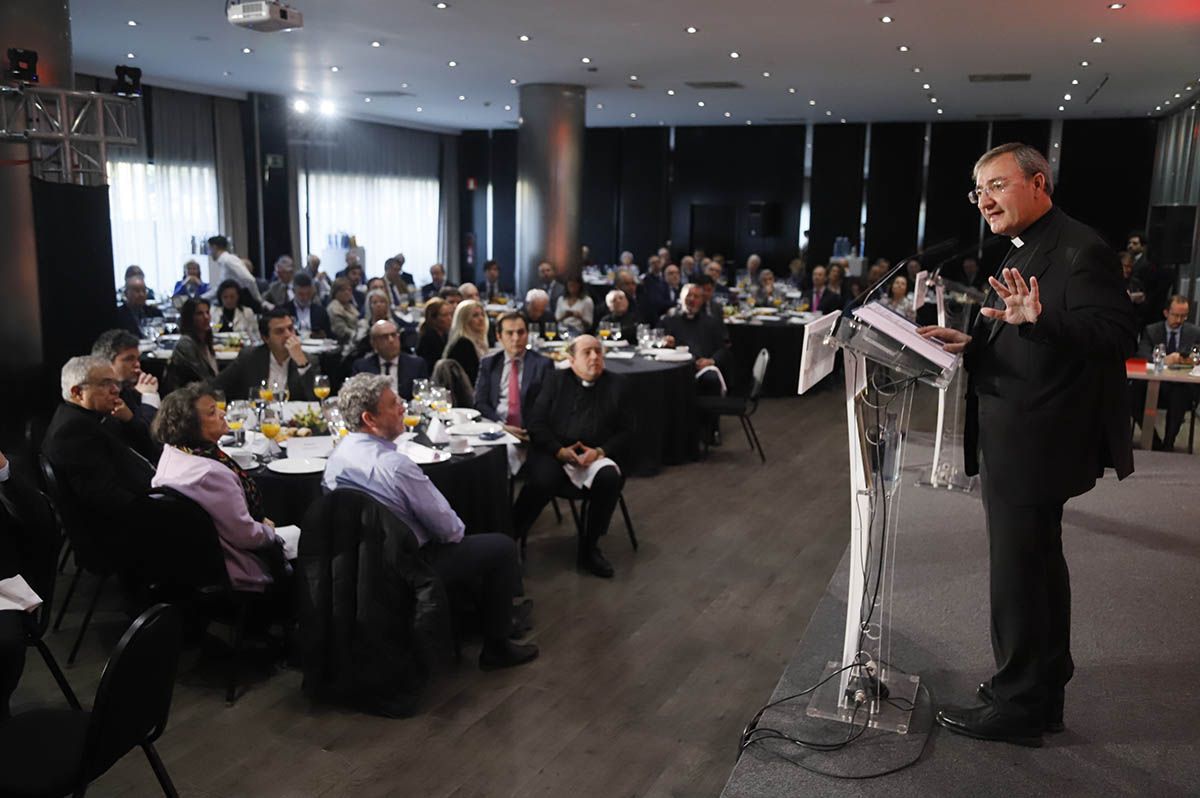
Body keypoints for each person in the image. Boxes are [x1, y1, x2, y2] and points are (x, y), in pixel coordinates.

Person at [920, 142, 1136, 747]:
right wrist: (976, 342)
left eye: (996, 185)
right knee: (1036, 567)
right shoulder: (1030, 245)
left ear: (1038, 183)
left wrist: (1038, 321)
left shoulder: (1079, 247)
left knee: (1019, 572)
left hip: (1040, 440)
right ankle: (1039, 689)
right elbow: (1028, 331)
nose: (983, 200)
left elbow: (1115, 333)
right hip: (1021, 432)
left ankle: (1019, 704)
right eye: (977, 190)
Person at [324, 374, 538, 670]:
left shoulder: (337, 457)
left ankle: (479, 617)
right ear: (369, 418)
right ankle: (497, 648)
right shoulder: (395, 466)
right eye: (393, 404)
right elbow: (451, 531)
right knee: (499, 548)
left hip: (359, 565)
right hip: (408, 566)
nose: (402, 407)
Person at [150, 384, 288, 593]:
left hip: (187, 566)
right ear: (191, 425)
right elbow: (245, 535)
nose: (223, 413)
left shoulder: (173, 452)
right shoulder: (210, 473)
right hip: (234, 571)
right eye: (212, 412)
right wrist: (270, 531)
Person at [512, 335, 631, 578]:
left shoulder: (618, 384)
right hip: (555, 452)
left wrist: (599, 452)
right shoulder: (555, 381)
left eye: (598, 351)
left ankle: (590, 548)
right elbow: (536, 424)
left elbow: (628, 430)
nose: (595, 357)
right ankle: (509, 540)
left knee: (609, 479)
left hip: (595, 455)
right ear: (571, 359)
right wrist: (559, 451)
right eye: (587, 352)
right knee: (543, 480)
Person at [41, 356, 158, 533]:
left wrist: (129, 421)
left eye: (115, 383)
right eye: (105, 384)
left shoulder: (94, 415)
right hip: (123, 533)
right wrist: (160, 508)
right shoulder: (72, 432)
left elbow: (144, 449)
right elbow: (107, 498)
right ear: (77, 392)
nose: (116, 390)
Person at [1131, 295, 1200, 450]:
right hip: (1156, 383)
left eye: (1184, 316)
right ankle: (1154, 442)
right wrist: (1164, 360)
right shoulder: (1152, 330)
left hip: (1181, 384)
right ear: (1166, 313)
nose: (1179, 320)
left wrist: (1189, 360)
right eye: (1176, 315)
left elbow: (1198, 356)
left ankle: (1169, 443)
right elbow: (1142, 354)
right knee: (1134, 394)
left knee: (1180, 395)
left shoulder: (1194, 332)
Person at [475, 312, 552, 442]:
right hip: (497, 431)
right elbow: (480, 402)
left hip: (530, 434)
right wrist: (500, 426)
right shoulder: (489, 364)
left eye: (521, 332)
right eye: (510, 333)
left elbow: (547, 405)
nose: (516, 338)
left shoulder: (542, 364)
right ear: (499, 336)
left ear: (527, 334)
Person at [215, 308, 321, 402]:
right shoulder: (249, 357)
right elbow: (217, 385)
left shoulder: (308, 360)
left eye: (290, 328)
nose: (288, 335)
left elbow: (316, 400)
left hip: (293, 421)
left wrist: (302, 364)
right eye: (279, 331)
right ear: (265, 338)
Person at [92, 329, 160, 433]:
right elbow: (150, 436)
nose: (137, 364)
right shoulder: (102, 398)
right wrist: (149, 396)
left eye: (138, 359)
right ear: (106, 362)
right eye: (129, 359)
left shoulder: (126, 388)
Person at [352, 320, 429, 400]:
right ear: (374, 343)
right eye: (385, 337)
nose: (391, 340)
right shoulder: (361, 367)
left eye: (394, 335)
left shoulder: (416, 364)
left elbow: (423, 397)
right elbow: (356, 399)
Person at [166, 297, 219, 392]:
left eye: (207, 312)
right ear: (189, 318)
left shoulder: (205, 341)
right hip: (189, 398)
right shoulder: (185, 344)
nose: (206, 317)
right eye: (200, 314)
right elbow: (203, 378)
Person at [204, 235, 262, 308]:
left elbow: (249, 279)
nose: (209, 253)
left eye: (209, 249)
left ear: (214, 247)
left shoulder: (229, 260)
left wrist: (259, 301)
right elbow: (219, 289)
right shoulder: (224, 262)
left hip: (243, 303)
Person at [443, 299, 490, 386]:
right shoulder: (463, 344)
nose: (481, 319)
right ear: (464, 320)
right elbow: (474, 379)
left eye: (482, 314)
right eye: (475, 315)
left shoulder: (478, 342)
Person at [283, 273, 333, 339]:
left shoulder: (321, 311)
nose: (305, 297)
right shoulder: (284, 310)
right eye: (301, 294)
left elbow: (329, 335)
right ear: (294, 291)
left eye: (308, 293)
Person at [416, 298, 453, 375]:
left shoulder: (445, 335)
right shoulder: (428, 338)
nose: (450, 318)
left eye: (450, 314)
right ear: (432, 318)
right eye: (445, 315)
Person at [327, 277, 363, 346]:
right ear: (335, 292)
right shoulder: (334, 307)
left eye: (349, 290)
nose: (347, 292)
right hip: (344, 343)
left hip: (356, 339)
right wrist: (359, 335)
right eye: (343, 290)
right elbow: (341, 330)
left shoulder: (350, 306)